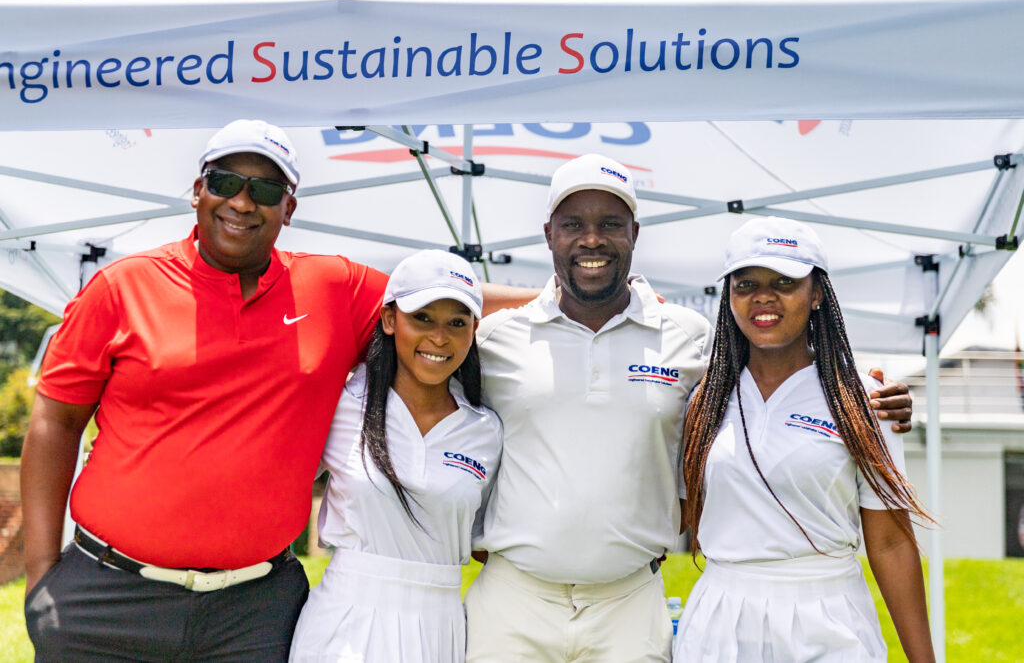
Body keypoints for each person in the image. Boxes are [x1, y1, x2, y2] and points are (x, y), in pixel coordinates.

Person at [20, 120, 523, 661]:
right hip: (109, 597)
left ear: (289, 208)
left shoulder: (334, 288)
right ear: (198, 190)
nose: (242, 202)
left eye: (265, 189)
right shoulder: (122, 287)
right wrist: (41, 572)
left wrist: (563, 301)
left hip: (254, 612)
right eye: (225, 182)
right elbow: (55, 422)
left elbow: (440, 300)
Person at [464, 156, 914, 662]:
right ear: (549, 234)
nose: (592, 239)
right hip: (512, 600)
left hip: (630, 602)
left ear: (634, 234)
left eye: (610, 224)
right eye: (573, 225)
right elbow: (424, 312)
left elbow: (780, 360)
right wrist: (542, 296)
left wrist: (867, 391)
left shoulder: (690, 338)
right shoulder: (494, 337)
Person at [677, 216, 935, 662]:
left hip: (829, 619)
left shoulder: (864, 400)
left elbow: (891, 544)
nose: (763, 296)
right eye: (745, 284)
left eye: (784, 282)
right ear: (729, 297)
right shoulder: (704, 398)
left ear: (817, 294)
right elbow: (678, 515)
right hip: (720, 619)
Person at [289, 250, 502, 662]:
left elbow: (484, 542)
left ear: (474, 330)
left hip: (441, 625)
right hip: (345, 619)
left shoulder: (485, 430)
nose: (439, 337)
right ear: (389, 319)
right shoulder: (342, 401)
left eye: (457, 323)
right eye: (422, 318)